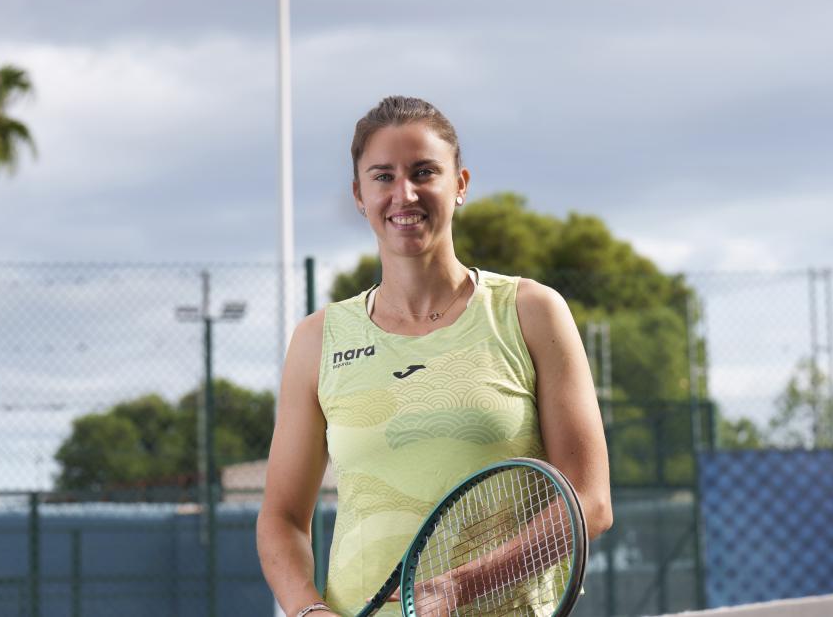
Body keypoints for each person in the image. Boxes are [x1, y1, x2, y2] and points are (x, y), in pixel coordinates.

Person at [257, 96, 612, 617]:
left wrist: (460, 585)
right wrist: (308, 610)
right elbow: (281, 519)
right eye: (383, 176)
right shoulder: (318, 339)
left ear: (460, 184)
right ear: (359, 194)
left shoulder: (532, 312)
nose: (404, 193)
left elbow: (589, 502)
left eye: (424, 172)